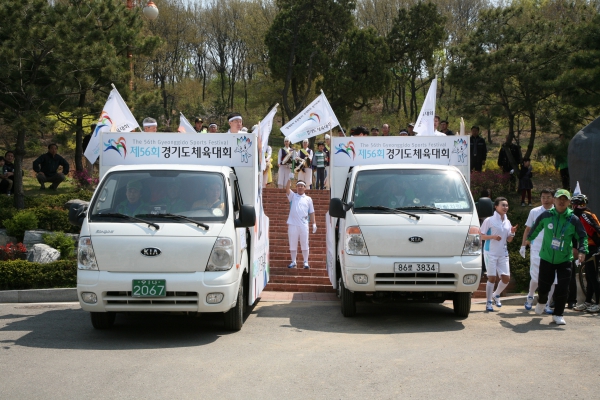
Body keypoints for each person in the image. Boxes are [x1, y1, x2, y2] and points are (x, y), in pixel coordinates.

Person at [527, 189, 588, 325]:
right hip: (547, 257)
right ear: (554, 200)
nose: (561, 201)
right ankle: (542, 301)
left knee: (563, 288)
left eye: (564, 199)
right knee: (543, 287)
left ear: (569, 202)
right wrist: (527, 240)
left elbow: (582, 236)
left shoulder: (573, 219)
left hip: (565, 259)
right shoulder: (546, 215)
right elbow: (535, 228)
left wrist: (582, 251)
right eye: (559, 198)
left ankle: (558, 314)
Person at [480, 197, 518, 312]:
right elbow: (481, 236)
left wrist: (512, 232)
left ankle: (496, 295)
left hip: (503, 253)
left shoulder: (507, 221)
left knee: (506, 278)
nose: (505, 207)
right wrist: (493, 237)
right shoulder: (489, 220)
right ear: (496, 207)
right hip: (490, 252)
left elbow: (509, 240)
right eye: (503, 205)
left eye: (506, 205)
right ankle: (488, 303)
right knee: (492, 277)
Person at [520, 189, 556, 312]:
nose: (545, 200)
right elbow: (527, 229)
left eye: (548, 197)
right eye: (543, 197)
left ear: (553, 198)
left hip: (553, 249)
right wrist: (523, 245)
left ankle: (546, 303)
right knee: (536, 278)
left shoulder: (557, 212)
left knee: (553, 279)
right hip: (536, 248)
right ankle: (530, 296)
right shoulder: (534, 211)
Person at [571, 194, 600, 313]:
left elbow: (597, 229)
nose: (573, 207)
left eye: (574, 204)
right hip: (588, 248)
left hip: (594, 248)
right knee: (588, 276)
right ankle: (588, 301)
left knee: (593, 277)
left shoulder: (585, 215)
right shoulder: (578, 216)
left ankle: (598, 303)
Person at [285, 178, 316, 269]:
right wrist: (289, 180)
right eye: (298, 186)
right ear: (296, 187)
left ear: (305, 188)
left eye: (302, 186)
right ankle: (293, 261)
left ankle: (305, 261)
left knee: (304, 242)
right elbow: (287, 189)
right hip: (292, 223)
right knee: (293, 243)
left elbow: (311, 212)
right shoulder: (293, 196)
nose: (300, 187)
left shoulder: (308, 199)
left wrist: (314, 223)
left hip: (304, 224)